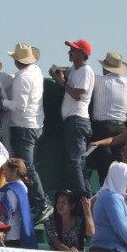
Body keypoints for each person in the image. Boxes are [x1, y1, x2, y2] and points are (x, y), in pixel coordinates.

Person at [2, 42, 51, 224]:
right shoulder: (36, 71)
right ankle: (36, 203)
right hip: (36, 124)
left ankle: (41, 202)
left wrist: (4, 101)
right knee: (30, 166)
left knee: (27, 166)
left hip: (23, 126)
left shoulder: (22, 77)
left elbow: (19, 106)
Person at [51, 40, 96, 195]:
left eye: (74, 50)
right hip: (74, 121)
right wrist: (58, 73)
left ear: (83, 54)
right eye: (70, 50)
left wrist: (62, 82)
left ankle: (81, 198)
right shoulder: (74, 69)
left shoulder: (85, 71)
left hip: (77, 121)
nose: (70, 52)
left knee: (75, 162)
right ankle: (85, 198)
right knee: (78, 162)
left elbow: (78, 94)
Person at [89, 52, 127, 179]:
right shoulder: (126, 82)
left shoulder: (98, 80)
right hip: (121, 128)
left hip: (103, 128)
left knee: (105, 167)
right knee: (121, 168)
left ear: (104, 67)